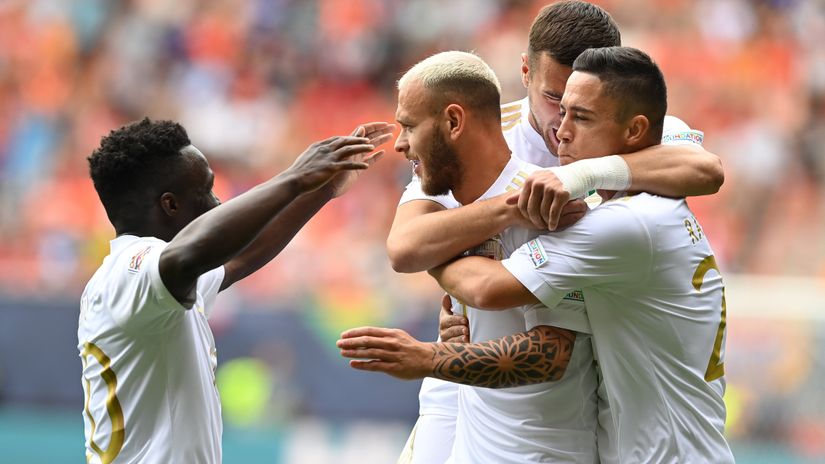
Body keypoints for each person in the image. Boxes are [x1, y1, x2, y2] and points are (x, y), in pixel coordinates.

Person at [339, 46, 733, 462]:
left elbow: (488, 290)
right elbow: (413, 252)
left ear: (634, 130)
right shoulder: (628, 204)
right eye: (558, 106)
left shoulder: (612, 222)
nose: (561, 130)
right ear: (526, 74)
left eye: (581, 116)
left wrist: (427, 341)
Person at [78, 117, 392, 463]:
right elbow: (188, 255)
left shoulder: (161, 284)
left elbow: (241, 254)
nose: (217, 203)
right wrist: (294, 177)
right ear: (171, 205)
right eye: (206, 190)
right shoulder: (129, 270)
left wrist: (323, 189)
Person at [393, 50, 601, 463]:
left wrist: (431, 357)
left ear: (453, 122)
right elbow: (404, 250)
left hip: (541, 451)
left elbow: (549, 356)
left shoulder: (554, 208)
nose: (399, 143)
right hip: (469, 434)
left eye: (409, 126)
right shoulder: (441, 194)